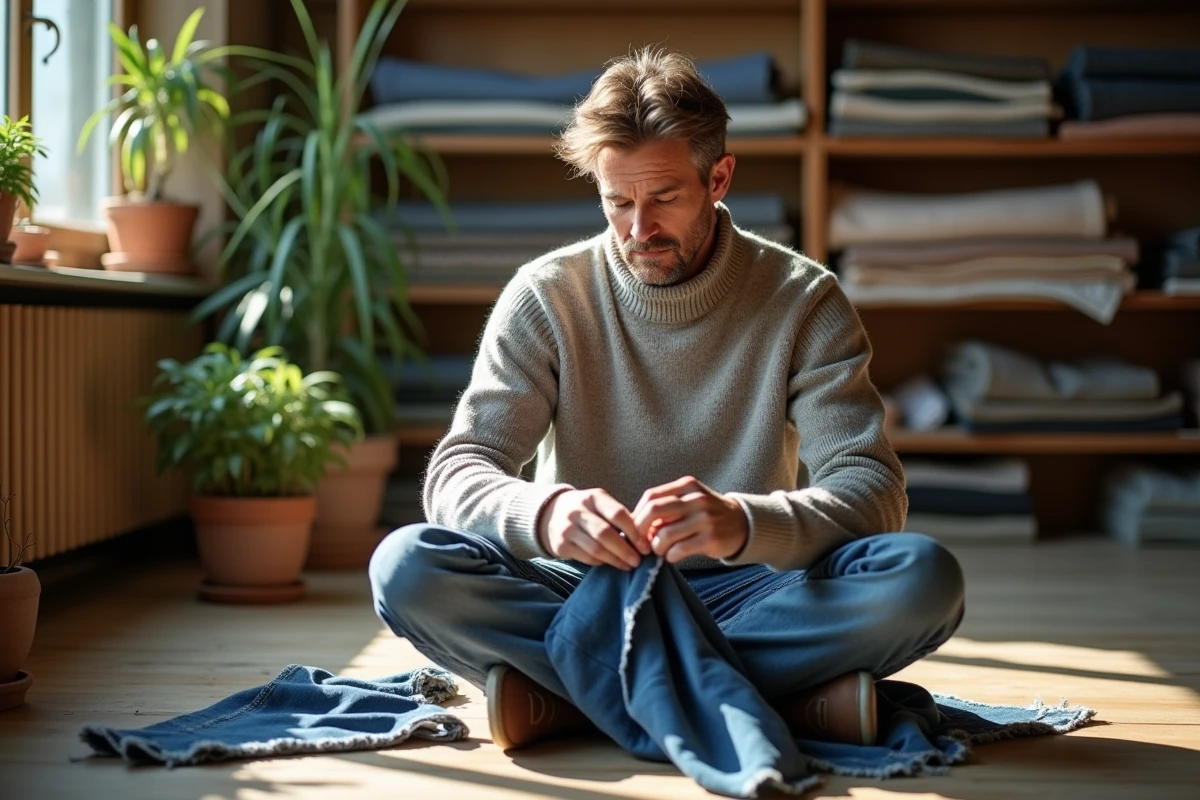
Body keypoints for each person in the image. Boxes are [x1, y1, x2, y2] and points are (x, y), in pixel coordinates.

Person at [369, 46, 964, 752]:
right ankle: (778, 701)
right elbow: (458, 471)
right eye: (616, 201)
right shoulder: (546, 294)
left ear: (719, 177)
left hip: (749, 591)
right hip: (583, 588)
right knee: (404, 567)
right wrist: (548, 513)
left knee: (924, 580)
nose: (637, 230)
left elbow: (872, 492)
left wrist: (743, 522)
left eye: (664, 198)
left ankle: (569, 700)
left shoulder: (805, 301)